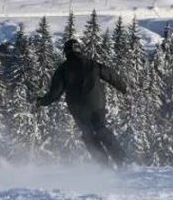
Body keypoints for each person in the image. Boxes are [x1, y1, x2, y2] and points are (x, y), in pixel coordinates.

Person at [36, 38, 127, 166]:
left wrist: (42, 101)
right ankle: (121, 159)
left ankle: (104, 164)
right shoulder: (93, 64)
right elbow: (111, 75)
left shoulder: (63, 69)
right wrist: (124, 88)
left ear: (66, 52)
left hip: (78, 107)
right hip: (97, 104)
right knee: (101, 128)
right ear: (80, 50)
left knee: (88, 133)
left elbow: (55, 93)